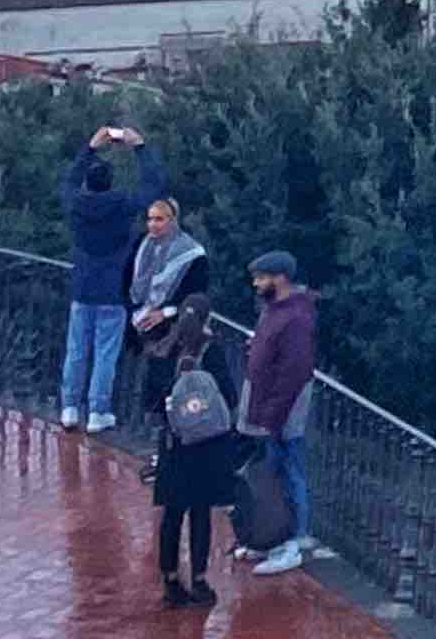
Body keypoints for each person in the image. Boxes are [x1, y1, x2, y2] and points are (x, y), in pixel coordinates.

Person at [62, 121, 165, 433]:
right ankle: (98, 410)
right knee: (105, 352)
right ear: (109, 183)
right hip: (114, 287)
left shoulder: (76, 204)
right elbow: (154, 187)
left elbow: (67, 181)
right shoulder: (123, 206)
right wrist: (140, 146)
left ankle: (69, 407)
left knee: (76, 349)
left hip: (83, 285)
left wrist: (90, 148)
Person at [149, 291, 244, 608]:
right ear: (208, 319)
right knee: (200, 513)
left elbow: (150, 400)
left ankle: (171, 581)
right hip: (205, 449)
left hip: (173, 446)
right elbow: (229, 397)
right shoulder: (212, 351)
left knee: (171, 516)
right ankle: (200, 581)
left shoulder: (163, 348)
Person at [234, 250, 323, 576]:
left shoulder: (295, 317)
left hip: (281, 414)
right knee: (268, 475)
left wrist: (271, 418)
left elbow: (293, 373)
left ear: (280, 277)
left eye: (261, 277)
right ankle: (268, 538)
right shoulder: (276, 309)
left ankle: (291, 541)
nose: (256, 283)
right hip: (268, 410)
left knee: (285, 472)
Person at [126, 192, 214, 441]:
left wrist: (165, 312)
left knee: (165, 378)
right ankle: (145, 426)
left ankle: (164, 433)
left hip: (173, 326)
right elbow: (129, 283)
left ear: (173, 220)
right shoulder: (143, 246)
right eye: (150, 219)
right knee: (143, 376)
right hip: (140, 320)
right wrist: (137, 311)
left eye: (160, 219)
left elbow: (197, 293)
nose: (153, 224)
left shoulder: (193, 254)